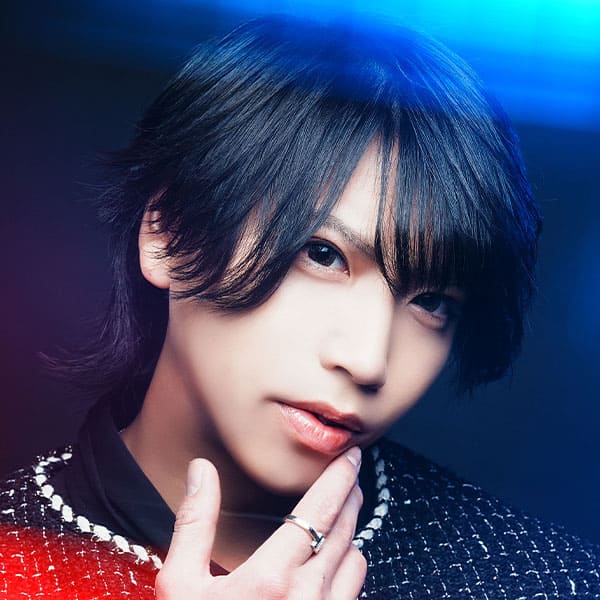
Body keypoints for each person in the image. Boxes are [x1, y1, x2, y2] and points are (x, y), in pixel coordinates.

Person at [1, 14, 598, 599]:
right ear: (168, 233)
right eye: (323, 254)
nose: (368, 361)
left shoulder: (541, 581)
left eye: (432, 300)